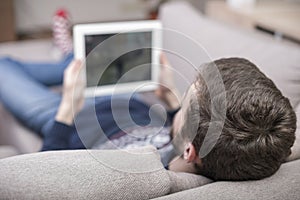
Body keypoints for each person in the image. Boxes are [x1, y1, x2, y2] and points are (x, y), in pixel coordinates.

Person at [0, 10, 296, 181]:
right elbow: (190, 131)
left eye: (187, 98)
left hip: (72, 116)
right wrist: (170, 100)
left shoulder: (128, 178)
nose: (182, 100)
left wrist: (67, 106)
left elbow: (45, 175)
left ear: (191, 152)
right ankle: (72, 56)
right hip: (127, 106)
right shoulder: (216, 151)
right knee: (101, 60)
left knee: (4, 64)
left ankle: (68, 57)